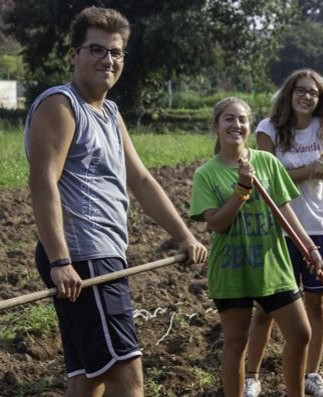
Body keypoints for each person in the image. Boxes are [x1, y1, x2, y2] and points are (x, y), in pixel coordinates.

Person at [24, 7, 207, 397]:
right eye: (97, 50)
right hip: (83, 258)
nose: (108, 60)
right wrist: (60, 261)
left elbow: (140, 180)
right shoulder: (61, 105)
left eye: (116, 53)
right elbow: (43, 183)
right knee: (128, 377)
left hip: (101, 255)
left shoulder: (109, 112)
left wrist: (183, 235)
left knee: (89, 377)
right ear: (74, 55)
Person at [189, 97, 323, 397]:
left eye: (242, 120)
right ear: (216, 126)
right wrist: (241, 190)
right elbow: (217, 224)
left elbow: (286, 213)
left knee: (301, 333)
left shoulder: (268, 163)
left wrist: (309, 247)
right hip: (232, 270)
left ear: (250, 126)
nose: (236, 125)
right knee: (236, 343)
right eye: (228, 119)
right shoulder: (206, 174)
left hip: (272, 265)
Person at [240, 69, 323, 397]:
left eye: (313, 94)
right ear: (289, 94)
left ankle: (312, 374)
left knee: (317, 306)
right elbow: (267, 181)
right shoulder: (268, 130)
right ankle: (252, 374)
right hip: (281, 229)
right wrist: (309, 170)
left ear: (320, 99)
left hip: (320, 225)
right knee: (267, 307)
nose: (306, 97)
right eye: (300, 91)